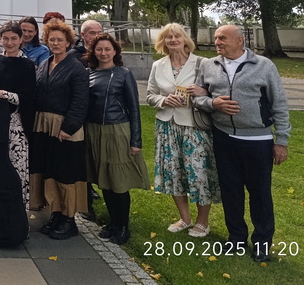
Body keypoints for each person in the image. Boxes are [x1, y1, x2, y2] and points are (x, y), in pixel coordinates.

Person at [193, 25, 290, 263]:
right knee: (231, 192)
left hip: (258, 141)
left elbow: (279, 103)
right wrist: (213, 104)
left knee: (260, 194)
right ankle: (236, 239)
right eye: (216, 38)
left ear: (239, 41)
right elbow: (197, 97)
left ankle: (262, 243)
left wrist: (281, 140)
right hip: (224, 138)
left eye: (222, 38)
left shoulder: (264, 65)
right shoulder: (208, 65)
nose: (217, 42)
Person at [146, 23, 220, 239]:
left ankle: (203, 222)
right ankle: (185, 218)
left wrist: (202, 91)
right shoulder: (158, 65)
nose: (173, 40)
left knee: (199, 173)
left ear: (185, 39)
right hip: (167, 126)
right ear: (163, 42)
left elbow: (216, 90)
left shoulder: (202, 63)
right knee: (174, 173)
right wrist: (163, 100)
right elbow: (150, 95)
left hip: (194, 126)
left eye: (177, 36)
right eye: (168, 37)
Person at [85, 33, 149, 245]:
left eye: (107, 49)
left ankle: (123, 226)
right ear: (93, 51)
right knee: (104, 179)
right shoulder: (89, 74)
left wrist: (136, 141)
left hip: (117, 129)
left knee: (118, 181)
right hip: (94, 130)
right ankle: (113, 222)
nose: (103, 53)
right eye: (99, 49)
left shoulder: (124, 74)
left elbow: (134, 108)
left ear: (115, 51)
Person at [30, 18, 89, 240]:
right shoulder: (45, 64)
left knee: (65, 172)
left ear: (68, 42)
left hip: (64, 126)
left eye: (60, 40)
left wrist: (69, 127)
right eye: (51, 39)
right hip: (44, 125)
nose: (55, 43)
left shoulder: (76, 68)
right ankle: (56, 212)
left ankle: (69, 218)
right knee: (49, 170)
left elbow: (81, 101)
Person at [0, 21, 35, 213]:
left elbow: (28, 98)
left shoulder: (27, 64)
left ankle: (17, 213)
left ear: (21, 39)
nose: (9, 43)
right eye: (5, 38)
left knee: (15, 169)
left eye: (13, 39)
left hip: (15, 125)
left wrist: (2, 94)